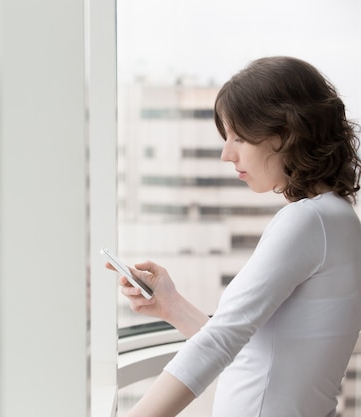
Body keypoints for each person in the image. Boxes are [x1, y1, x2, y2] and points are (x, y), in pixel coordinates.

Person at [109, 56, 361, 417]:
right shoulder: (339, 217)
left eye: (239, 137)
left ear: (287, 134)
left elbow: (221, 341)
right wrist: (171, 304)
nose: (227, 154)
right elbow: (258, 350)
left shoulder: (306, 221)